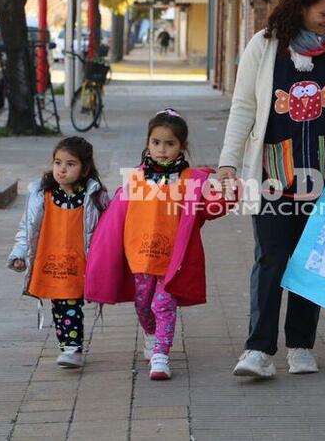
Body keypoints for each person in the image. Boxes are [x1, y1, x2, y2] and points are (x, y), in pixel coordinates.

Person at [217, 0, 325, 378]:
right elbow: (244, 108)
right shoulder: (264, 45)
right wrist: (228, 164)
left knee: (311, 264)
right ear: (302, 5)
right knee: (270, 259)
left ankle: (301, 345)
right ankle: (258, 350)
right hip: (274, 175)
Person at [84, 109, 233, 380]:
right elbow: (116, 218)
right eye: (156, 142)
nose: (162, 149)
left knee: (163, 304)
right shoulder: (136, 180)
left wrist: (228, 191)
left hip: (173, 259)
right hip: (139, 256)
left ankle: (162, 355)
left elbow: (212, 207)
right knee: (143, 304)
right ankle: (151, 335)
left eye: (170, 143)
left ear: (182, 147)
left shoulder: (192, 181)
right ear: (147, 144)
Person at [8, 137, 109, 369]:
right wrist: (19, 254)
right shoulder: (41, 195)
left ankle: (73, 348)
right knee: (59, 305)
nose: (62, 169)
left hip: (80, 264)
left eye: (70, 164)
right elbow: (28, 227)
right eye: (58, 162)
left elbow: (107, 229)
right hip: (50, 262)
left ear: (84, 170)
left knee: (71, 303)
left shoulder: (93, 197)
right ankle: (67, 346)